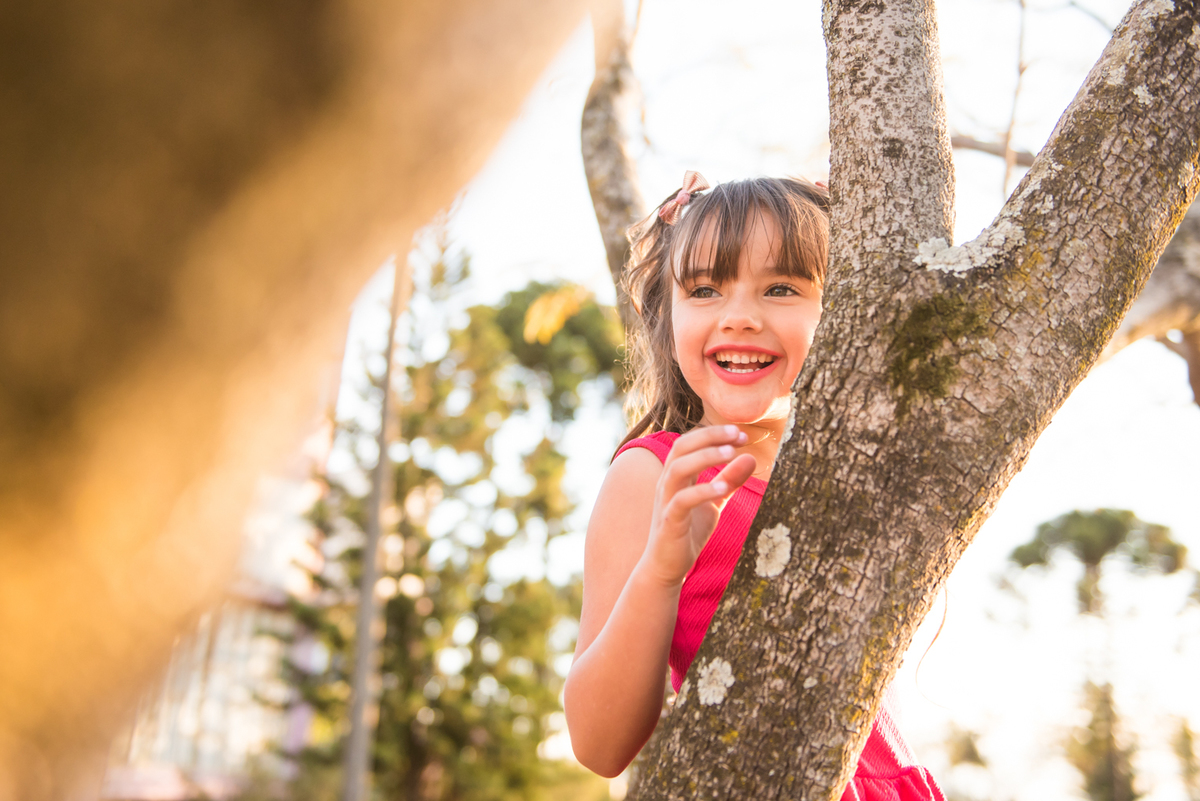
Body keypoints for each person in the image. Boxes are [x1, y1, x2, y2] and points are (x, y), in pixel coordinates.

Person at [562, 172, 944, 800]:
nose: (740, 316)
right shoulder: (655, 474)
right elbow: (598, 744)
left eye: (782, 288)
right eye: (706, 288)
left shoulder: (860, 468)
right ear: (669, 312)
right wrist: (661, 571)